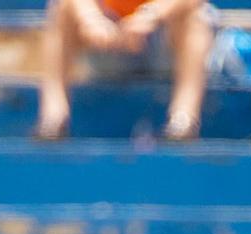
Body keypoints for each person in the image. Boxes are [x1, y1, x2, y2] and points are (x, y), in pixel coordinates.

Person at [37, 0, 214, 143]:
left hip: (162, 40)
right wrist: (91, 18)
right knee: (59, 9)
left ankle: (183, 120)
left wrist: (150, 16)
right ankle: (54, 118)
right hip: (108, 39)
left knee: (195, 16)